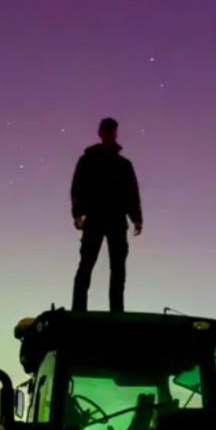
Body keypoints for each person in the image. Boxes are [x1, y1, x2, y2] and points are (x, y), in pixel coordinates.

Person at [70, 117, 143, 312]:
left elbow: (131, 192)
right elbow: (78, 187)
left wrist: (136, 217)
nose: (110, 134)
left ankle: (116, 311)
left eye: (112, 131)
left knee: (118, 268)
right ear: (101, 133)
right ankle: (78, 309)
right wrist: (78, 213)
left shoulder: (124, 165)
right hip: (94, 218)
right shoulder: (87, 161)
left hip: (116, 220)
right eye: (107, 131)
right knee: (86, 264)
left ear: (115, 134)